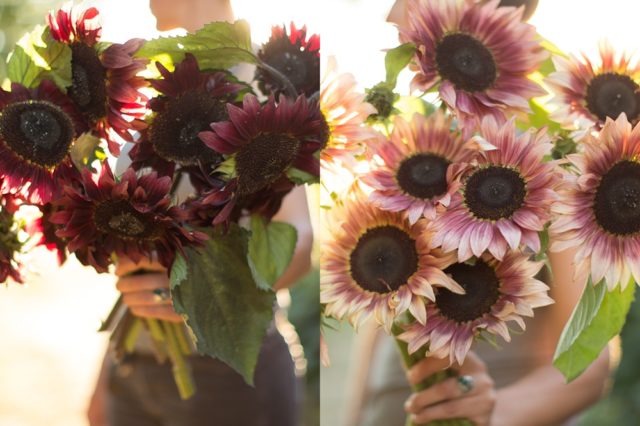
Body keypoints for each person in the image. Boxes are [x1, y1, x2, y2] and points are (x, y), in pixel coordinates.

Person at [346, 2, 611, 425]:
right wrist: (355, 412)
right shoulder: (406, 142)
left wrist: (489, 413)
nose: (392, 11)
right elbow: (380, 314)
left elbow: (589, 362)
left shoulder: (550, 159)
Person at [87, 1, 314, 425]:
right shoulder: (160, 82)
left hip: (228, 373)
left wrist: (201, 295)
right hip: (134, 366)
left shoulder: (266, 78)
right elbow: (142, 257)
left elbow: (298, 244)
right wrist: (107, 374)